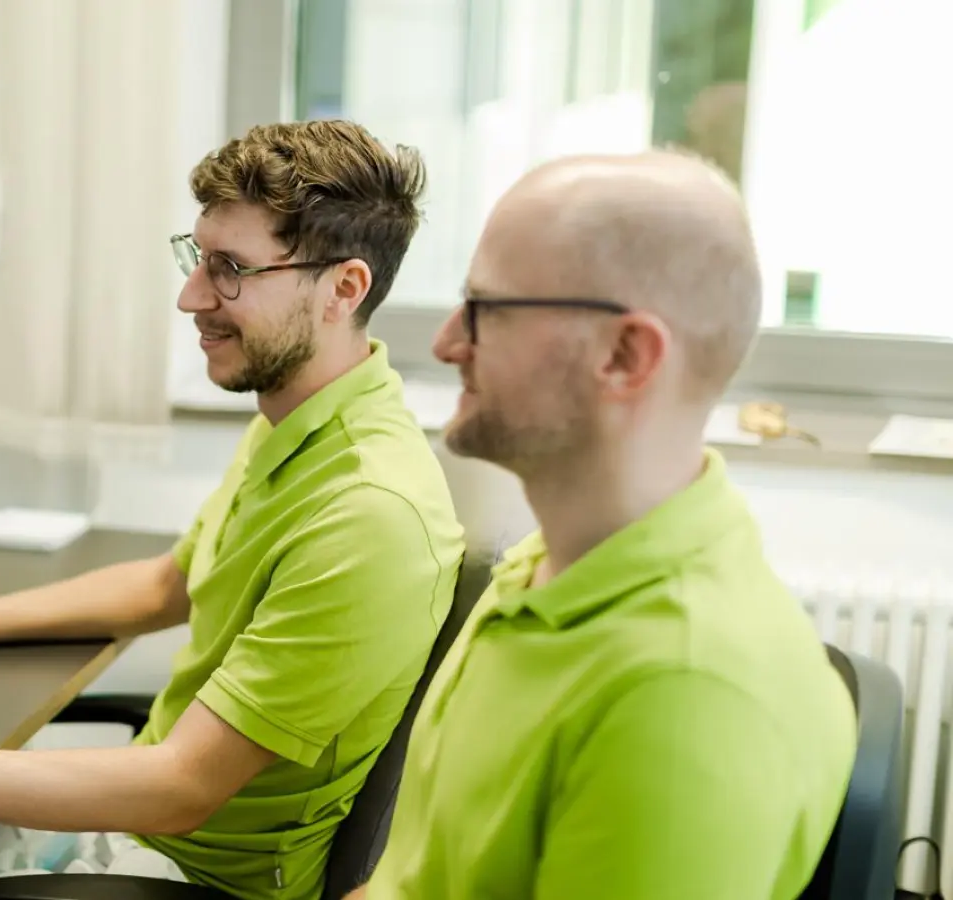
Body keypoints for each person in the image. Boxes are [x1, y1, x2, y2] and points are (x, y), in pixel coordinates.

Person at [0, 120, 466, 900]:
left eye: (231, 270)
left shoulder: (368, 515)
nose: (191, 297)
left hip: (185, 874)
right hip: (126, 834)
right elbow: (166, 587)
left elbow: (184, 784)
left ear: (345, 289)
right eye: (197, 257)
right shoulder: (300, 417)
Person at [353, 149, 857, 899]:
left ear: (625, 354)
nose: (447, 342)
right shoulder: (544, 567)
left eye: (487, 310)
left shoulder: (684, 699)